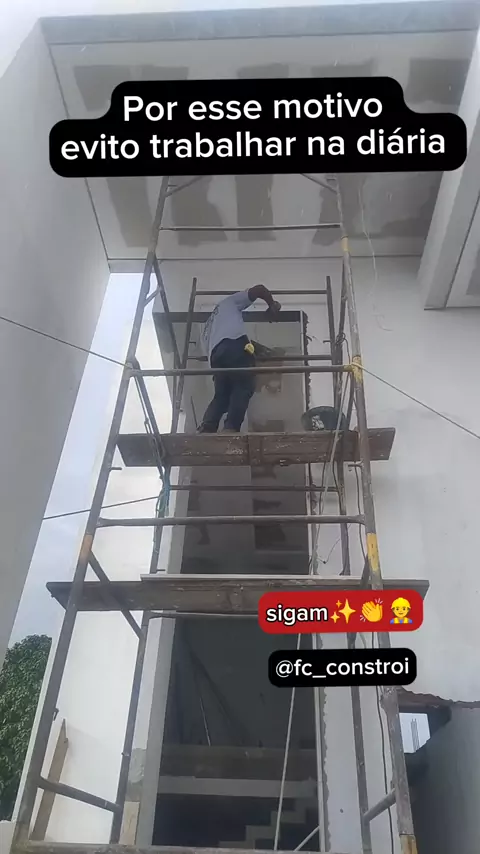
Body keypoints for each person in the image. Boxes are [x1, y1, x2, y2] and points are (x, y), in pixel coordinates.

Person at [197, 285, 281, 433]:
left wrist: (255, 349)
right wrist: (272, 305)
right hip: (234, 345)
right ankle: (231, 428)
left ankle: (207, 427)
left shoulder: (208, 327)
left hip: (215, 358)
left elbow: (220, 348)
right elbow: (259, 289)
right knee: (244, 385)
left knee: (222, 396)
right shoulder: (229, 302)